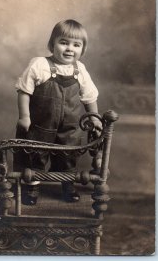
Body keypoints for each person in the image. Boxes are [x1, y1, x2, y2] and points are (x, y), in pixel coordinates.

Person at [14, 19, 102, 205]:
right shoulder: (39, 64)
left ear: (82, 50)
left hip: (70, 126)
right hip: (41, 124)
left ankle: (67, 186)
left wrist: (94, 118)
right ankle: (32, 187)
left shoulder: (80, 70)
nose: (70, 48)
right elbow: (24, 90)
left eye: (76, 45)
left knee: (68, 155)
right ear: (52, 44)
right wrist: (24, 116)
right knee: (36, 154)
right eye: (64, 42)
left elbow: (90, 96)